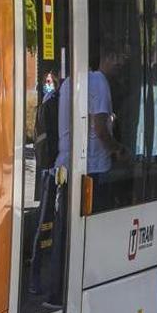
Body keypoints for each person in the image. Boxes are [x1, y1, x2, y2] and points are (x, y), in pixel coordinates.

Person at [58, 48, 129, 211]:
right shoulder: (99, 82)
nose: (120, 63)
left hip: (66, 167)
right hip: (94, 168)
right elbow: (100, 130)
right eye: (116, 56)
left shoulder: (69, 82)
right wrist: (118, 149)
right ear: (105, 58)